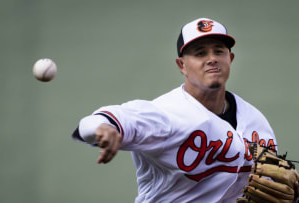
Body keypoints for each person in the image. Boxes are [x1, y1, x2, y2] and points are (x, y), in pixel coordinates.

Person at [72, 17, 278, 202]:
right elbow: (99, 122)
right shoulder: (165, 114)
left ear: (230, 59)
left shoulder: (256, 121)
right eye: (200, 53)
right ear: (182, 65)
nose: (212, 58)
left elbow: (270, 187)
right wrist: (102, 128)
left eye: (218, 51)